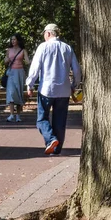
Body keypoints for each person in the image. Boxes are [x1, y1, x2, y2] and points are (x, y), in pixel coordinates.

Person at [26, 24, 81, 155]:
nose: (44, 36)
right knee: (60, 121)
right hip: (64, 90)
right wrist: (74, 85)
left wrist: (30, 84)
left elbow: (35, 68)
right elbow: (77, 70)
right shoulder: (67, 48)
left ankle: (51, 139)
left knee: (41, 119)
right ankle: (57, 149)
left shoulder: (43, 47)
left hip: (46, 89)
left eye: (44, 33)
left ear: (49, 33)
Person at [5, 33, 30, 122]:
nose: (13, 41)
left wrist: (31, 61)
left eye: (14, 39)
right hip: (11, 72)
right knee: (11, 92)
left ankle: (18, 116)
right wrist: (7, 60)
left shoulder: (23, 50)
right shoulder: (9, 50)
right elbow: (5, 60)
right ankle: (11, 114)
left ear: (18, 40)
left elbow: (27, 61)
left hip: (20, 73)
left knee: (19, 92)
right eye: (12, 40)